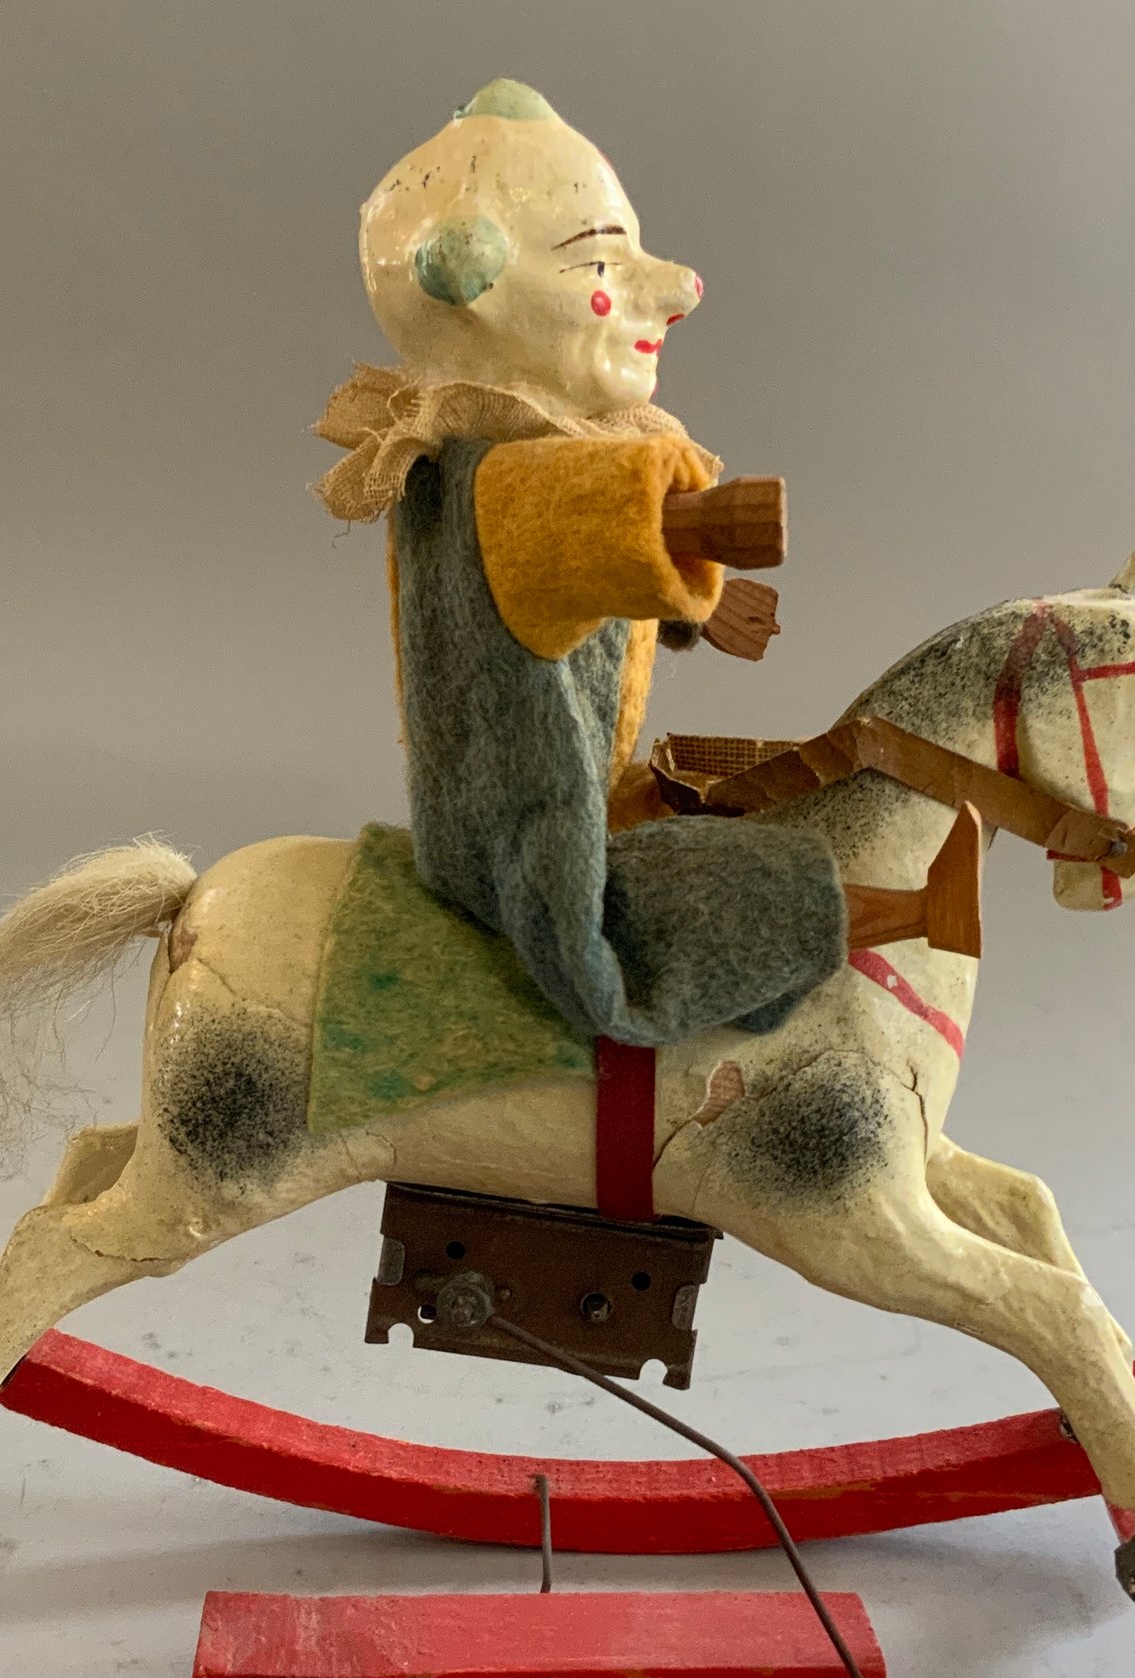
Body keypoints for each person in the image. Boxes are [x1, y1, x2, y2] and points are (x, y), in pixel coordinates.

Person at [313, 80, 850, 1046]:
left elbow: (582, 565)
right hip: (530, 847)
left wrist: (698, 601)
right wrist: (706, 522)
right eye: (602, 259)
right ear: (469, 280)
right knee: (783, 877)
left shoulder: (469, 460)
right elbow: (590, 515)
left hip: (558, 801)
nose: (679, 290)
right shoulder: (503, 478)